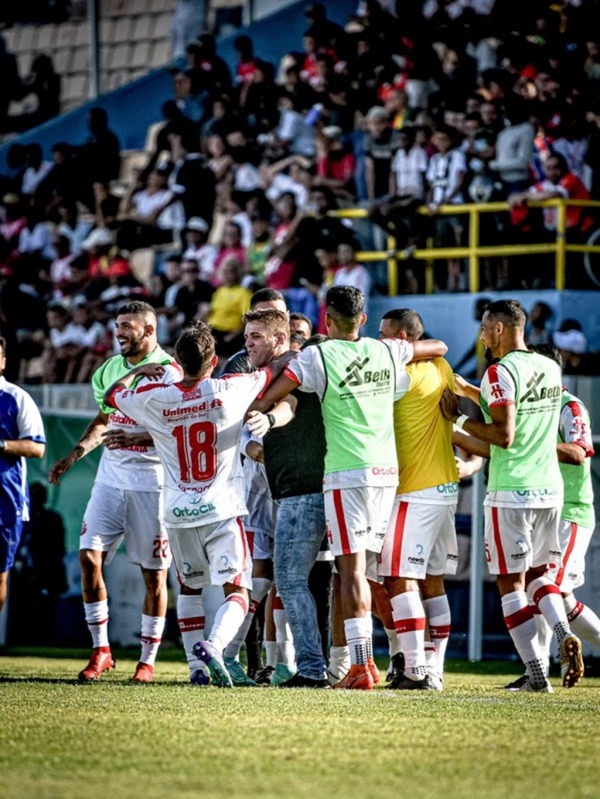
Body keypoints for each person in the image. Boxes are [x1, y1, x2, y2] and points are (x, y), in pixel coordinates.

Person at [249, 286, 447, 690]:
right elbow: (438, 346)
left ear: (326, 319)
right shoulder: (387, 350)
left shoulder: (317, 357)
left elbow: (272, 396)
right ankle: (413, 665)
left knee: (350, 571)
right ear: (361, 318)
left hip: (346, 473)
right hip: (387, 474)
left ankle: (361, 666)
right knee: (378, 573)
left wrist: (260, 408)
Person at [102, 321, 286, 688]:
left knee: (190, 588)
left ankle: (195, 670)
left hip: (177, 512)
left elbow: (112, 395)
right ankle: (215, 647)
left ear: (176, 361)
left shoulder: (158, 396)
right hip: (220, 509)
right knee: (238, 588)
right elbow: (273, 371)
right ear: (214, 360)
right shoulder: (228, 389)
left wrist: (138, 370)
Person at [440, 299, 584, 692]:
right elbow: (513, 408)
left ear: (499, 329)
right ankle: (561, 631)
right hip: (550, 491)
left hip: (511, 492)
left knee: (510, 583)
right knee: (540, 577)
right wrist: (466, 388)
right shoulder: (549, 367)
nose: (483, 337)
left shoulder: (499, 371)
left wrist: (458, 418)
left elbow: (504, 435)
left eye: (485, 329)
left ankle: (537, 675)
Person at [48, 301, 181, 684]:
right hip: (110, 480)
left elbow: (177, 432)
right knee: (89, 558)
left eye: (127, 326)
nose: (119, 332)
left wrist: (140, 436)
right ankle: (101, 650)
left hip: (152, 485)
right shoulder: (109, 369)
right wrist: (74, 453)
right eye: (117, 326)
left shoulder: (172, 374)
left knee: (154, 576)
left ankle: (147, 660)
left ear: (149, 329)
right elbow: (105, 418)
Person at [377, 309, 459, 690]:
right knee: (433, 581)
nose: (380, 342)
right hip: (445, 486)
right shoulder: (441, 365)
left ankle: (415, 670)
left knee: (399, 578)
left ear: (404, 339)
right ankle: (434, 668)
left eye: (386, 335)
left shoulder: (401, 375)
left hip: (414, 489)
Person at [246, 334, 332, 688]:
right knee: (351, 580)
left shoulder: (299, 383)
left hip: (301, 494)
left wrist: (267, 420)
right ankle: (351, 663)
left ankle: (312, 667)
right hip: (332, 489)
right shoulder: (332, 389)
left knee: (291, 580)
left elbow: (288, 406)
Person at [222, 308, 292, 686]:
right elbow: (251, 445)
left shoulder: (298, 368)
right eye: (247, 336)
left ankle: (284, 661)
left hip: (292, 487)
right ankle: (237, 657)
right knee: (262, 578)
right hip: (256, 491)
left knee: (286, 578)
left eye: (256, 337)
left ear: (280, 339)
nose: (247, 344)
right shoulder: (248, 378)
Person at [0, 338, 46, 616]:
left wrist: (2, 445)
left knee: (0, 574)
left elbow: (37, 447)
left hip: (5, 499)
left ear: (3, 362)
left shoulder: (17, 398)